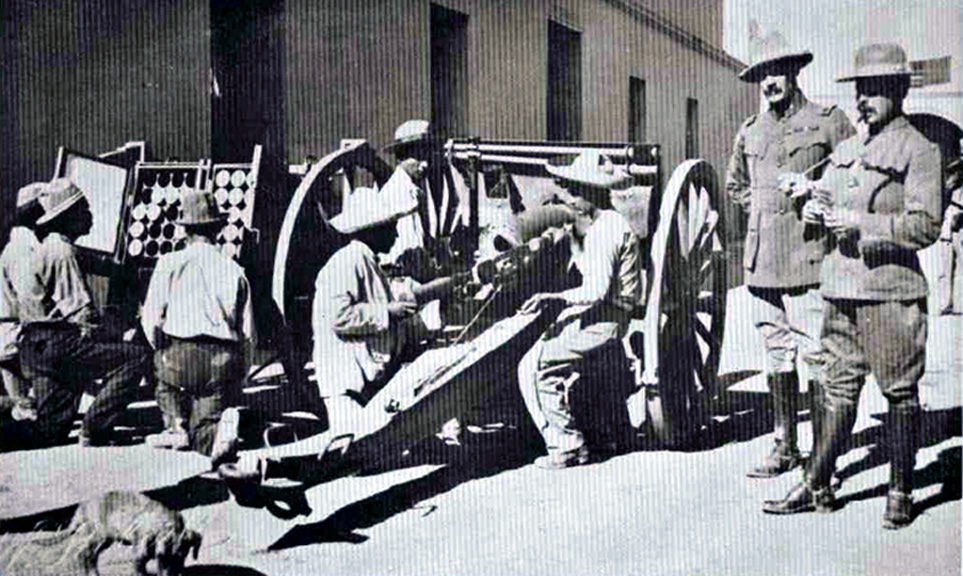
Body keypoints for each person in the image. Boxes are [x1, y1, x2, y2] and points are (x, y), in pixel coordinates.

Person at [762, 42, 942, 530]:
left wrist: (860, 223)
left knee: (899, 393)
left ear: (899, 92)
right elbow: (826, 201)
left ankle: (900, 491)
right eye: (861, 90)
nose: (864, 100)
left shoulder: (919, 150)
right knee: (836, 390)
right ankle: (817, 483)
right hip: (841, 289)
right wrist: (813, 207)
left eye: (875, 90)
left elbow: (926, 225)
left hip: (890, 293)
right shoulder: (848, 150)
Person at [726, 31, 855, 478]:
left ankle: (820, 457)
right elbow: (735, 185)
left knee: (817, 356)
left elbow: (856, 177)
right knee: (776, 355)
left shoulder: (828, 121)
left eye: (776, 72)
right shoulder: (751, 130)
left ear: (794, 71)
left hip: (809, 258)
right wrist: (763, 212)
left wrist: (817, 194)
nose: (769, 83)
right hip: (763, 263)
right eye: (762, 75)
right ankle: (784, 446)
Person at [516, 150, 643, 469]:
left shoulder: (606, 231)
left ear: (592, 193)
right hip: (604, 314)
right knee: (553, 339)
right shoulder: (603, 223)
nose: (570, 198)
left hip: (607, 318)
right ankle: (614, 432)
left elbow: (595, 291)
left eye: (575, 191)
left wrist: (554, 297)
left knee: (535, 365)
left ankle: (568, 446)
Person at [18, 178, 151, 446]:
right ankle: (95, 429)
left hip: (35, 347)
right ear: (68, 216)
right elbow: (82, 314)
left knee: (49, 431)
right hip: (58, 344)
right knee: (136, 356)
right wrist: (117, 331)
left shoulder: (50, 247)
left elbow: (95, 263)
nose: (90, 215)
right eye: (84, 209)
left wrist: (120, 269)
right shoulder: (62, 252)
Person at [140, 187, 255, 466]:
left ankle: (175, 427)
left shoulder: (168, 263)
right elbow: (248, 332)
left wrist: (161, 349)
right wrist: (242, 371)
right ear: (218, 229)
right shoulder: (234, 269)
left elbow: (151, 319)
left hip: (178, 358)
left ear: (185, 230)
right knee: (205, 426)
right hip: (220, 360)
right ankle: (216, 431)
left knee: (163, 381)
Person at [0, 183, 45, 426]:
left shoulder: (18, 245)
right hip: (15, 327)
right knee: (25, 405)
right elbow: (29, 294)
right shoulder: (23, 249)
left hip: (11, 327)